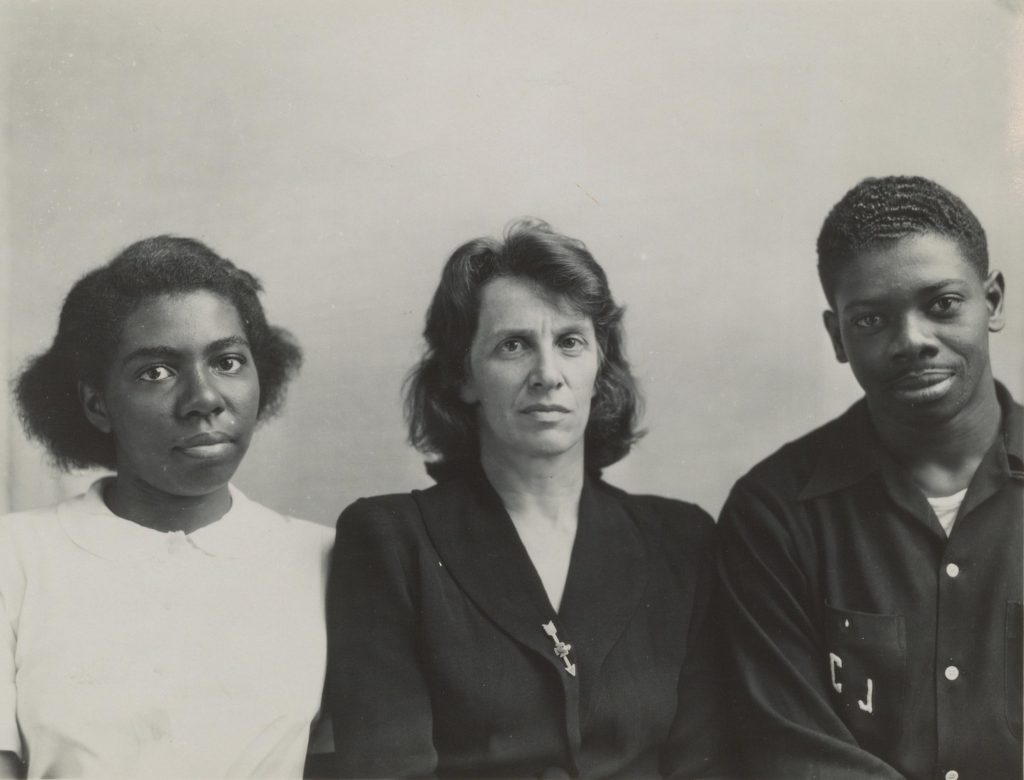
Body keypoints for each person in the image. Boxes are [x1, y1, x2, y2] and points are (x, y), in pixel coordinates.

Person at [325, 219, 732, 778]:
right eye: (513, 345)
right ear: (462, 376)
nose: (548, 374)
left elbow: (705, 765)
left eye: (570, 342)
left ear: (598, 366)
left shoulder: (681, 541)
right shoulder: (392, 540)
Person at [717, 176, 1022, 779]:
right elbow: (791, 749)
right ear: (837, 336)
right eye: (871, 320)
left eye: (941, 305)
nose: (911, 340)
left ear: (992, 302)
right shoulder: (773, 513)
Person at [0, 236, 333, 778]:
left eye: (227, 361)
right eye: (157, 371)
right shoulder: (14, 558)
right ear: (97, 403)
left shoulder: (326, 559)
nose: (204, 398)